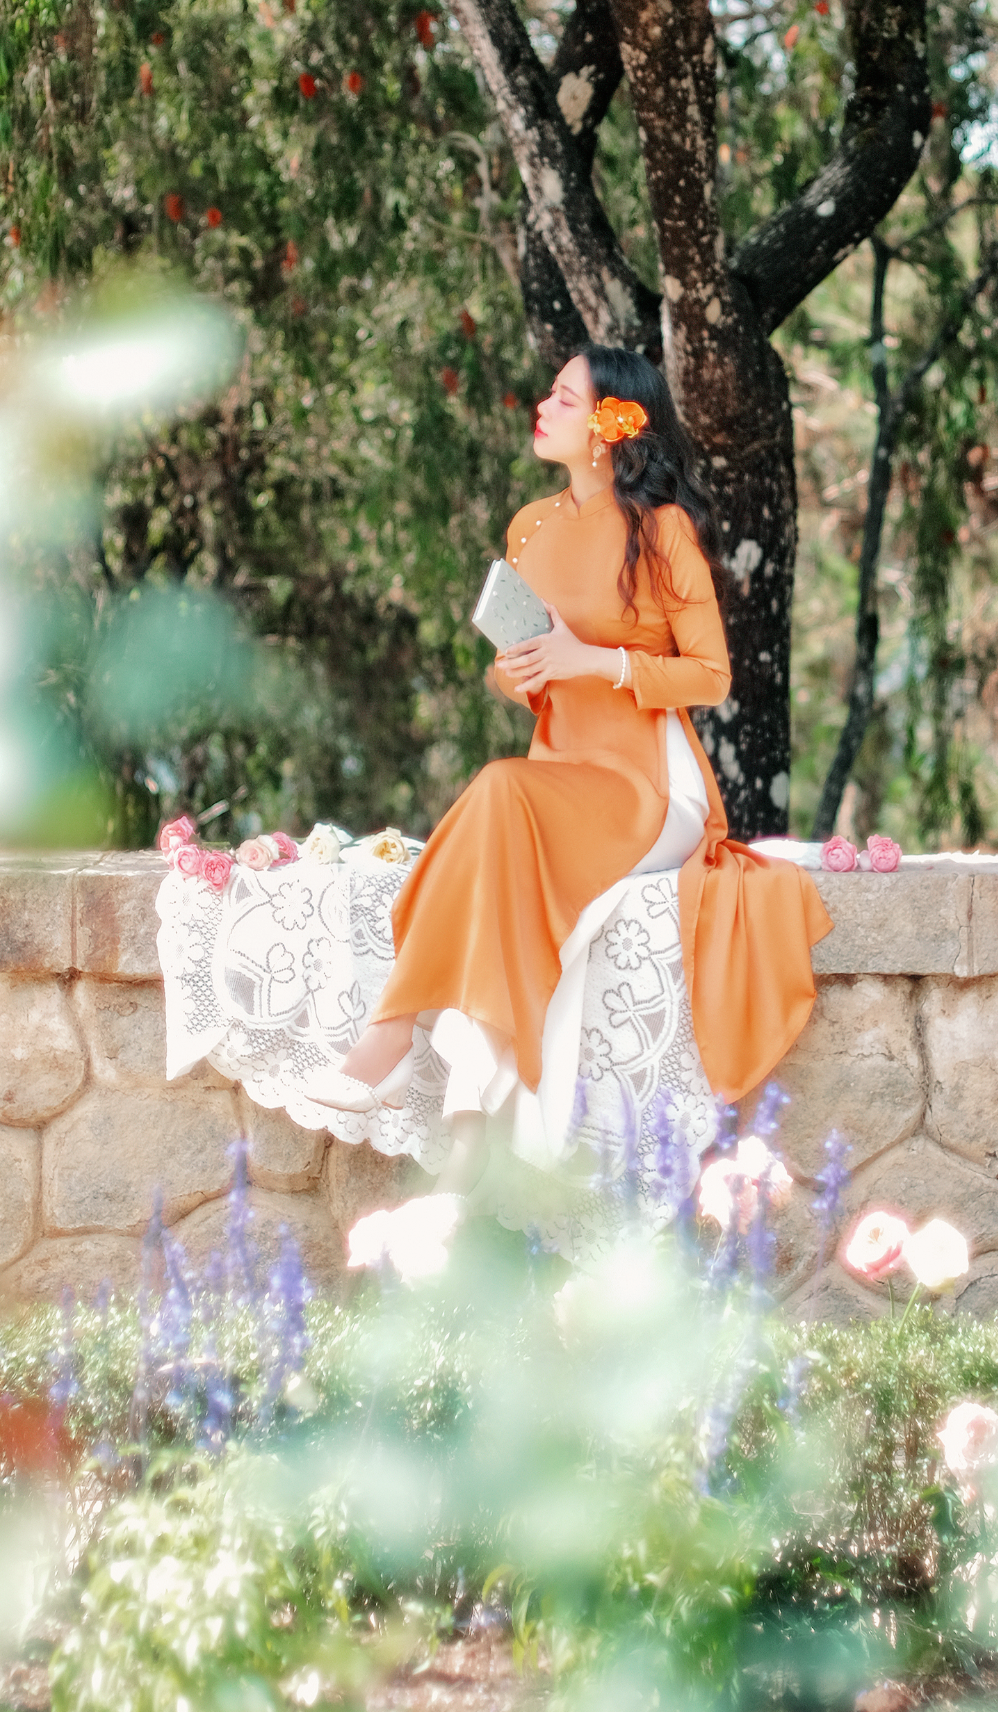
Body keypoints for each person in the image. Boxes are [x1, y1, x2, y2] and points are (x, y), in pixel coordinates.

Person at [303, 347, 832, 1199]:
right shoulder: (530, 527)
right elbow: (515, 673)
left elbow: (712, 677)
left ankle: (391, 1035)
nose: (542, 405)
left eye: (563, 397)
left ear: (611, 425)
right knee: (502, 860)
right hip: (556, 778)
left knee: (496, 788)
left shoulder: (662, 530)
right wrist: (520, 671)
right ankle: (467, 1149)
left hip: (648, 786)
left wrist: (595, 660)